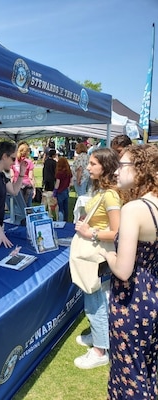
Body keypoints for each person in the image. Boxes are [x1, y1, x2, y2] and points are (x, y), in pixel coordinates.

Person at [101, 144, 158, 399]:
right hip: (152, 294)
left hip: (131, 301)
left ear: (141, 169)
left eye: (122, 165)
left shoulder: (134, 209)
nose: (116, 172)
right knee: (147, 369)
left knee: (129, 374)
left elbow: (123, 270)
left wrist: (108, 255)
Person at [74, 148, 121, 369]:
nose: (88, 167)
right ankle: (98, 336)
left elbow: (117, 231)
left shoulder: (110, 194)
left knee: (97, 301)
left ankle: (100, 350)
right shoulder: (102, 190)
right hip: (98, 253)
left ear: (105, 167)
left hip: (100, 255)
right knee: (94, 298)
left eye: (93, 163)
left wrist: (89, 232)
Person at [10, 142, 35, 207]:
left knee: (18, 206)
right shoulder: (29, 162)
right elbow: (30, 177)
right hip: (27, 185)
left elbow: (12, 176)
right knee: (28, 207)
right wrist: (34, 189)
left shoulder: (13, 162)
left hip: (17, 185)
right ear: (27, 152)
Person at [53, 157, 72, 221]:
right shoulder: (69, 172)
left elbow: (57, 183)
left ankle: (61, 221)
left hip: (60, 191)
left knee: (60, 208)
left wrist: (55, 192)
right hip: (66, 190)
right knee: (65, 207)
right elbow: (70, 182)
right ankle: (66, 220)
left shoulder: (59, 173)